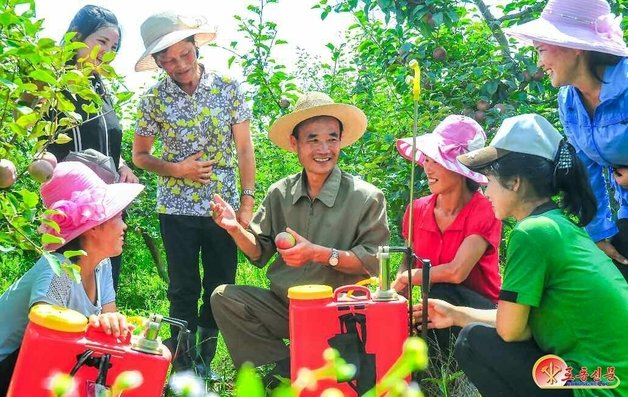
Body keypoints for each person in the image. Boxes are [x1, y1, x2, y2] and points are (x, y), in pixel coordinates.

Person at [414, 114, 628, 397]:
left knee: (473, 341)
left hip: (595, 383)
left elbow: (511, 331)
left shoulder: (533, 233)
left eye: (488, 180)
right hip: (610, 378)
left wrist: (463, 318)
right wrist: (456, 313)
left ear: (515, 182)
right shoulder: (561, 224)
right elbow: (517, 323)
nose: (485, 190)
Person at [209, 91, 390, 386]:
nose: (324, 148)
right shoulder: (280, 192)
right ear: (295, 144)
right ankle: (283, 369)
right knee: (224, 298)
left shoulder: (366, 197)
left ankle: (308, 367)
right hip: (287, 308)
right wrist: (234, 229)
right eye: (313, 139)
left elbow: (372, 263)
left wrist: (318, 253)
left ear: (341, 141)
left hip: (340, 314)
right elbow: (259, 251)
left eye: (332, 138)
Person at [132, 11, 255, 378]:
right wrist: (177, 169)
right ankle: (184, 366)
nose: (179, 65)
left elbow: (245, 149)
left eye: (184, 54)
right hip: (176, 208)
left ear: (196, 46)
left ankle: (204, 361)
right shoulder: (153, 99)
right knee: (183, 287)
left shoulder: (228, 87)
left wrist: (247, 200)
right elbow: (141, 156)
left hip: (224, 208)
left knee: (219, 284)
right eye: (167, 60)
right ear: (157, 63)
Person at [505, 0, 628, 279]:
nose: (539, 63)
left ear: (575, 47)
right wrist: (597, 233)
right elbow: (586, 169)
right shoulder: (569, 101)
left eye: (541, 50)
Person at [0, 162, 143, 395]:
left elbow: (109, 321)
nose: (124, 225)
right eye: (118, 216)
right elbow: (45, 329)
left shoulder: (101, 266)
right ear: (93, 226)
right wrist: (92, 325)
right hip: (9, 369)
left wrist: (111, 323)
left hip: (32, 368)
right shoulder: (61, 270)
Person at [43, 5, 139, 291]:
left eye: (114, 46)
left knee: (103, 287)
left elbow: (107, 140)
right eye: (102, 41)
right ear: (77, 36)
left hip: (106, 208)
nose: (107, 52)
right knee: (66, 288)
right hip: (74, 210)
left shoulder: (101, 87)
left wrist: (122, 166)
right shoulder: (55, 81)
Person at [391, 115, 502, 357]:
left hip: (480, 311)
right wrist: (397, 288)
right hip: (435, 306)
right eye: (427, 160)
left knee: (438, 292)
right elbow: (407, 260)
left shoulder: (485, 210)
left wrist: (411, 277)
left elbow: (456, 272)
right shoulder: (417, 209)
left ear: (459, 168)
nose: (427, 168)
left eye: (436, 161)